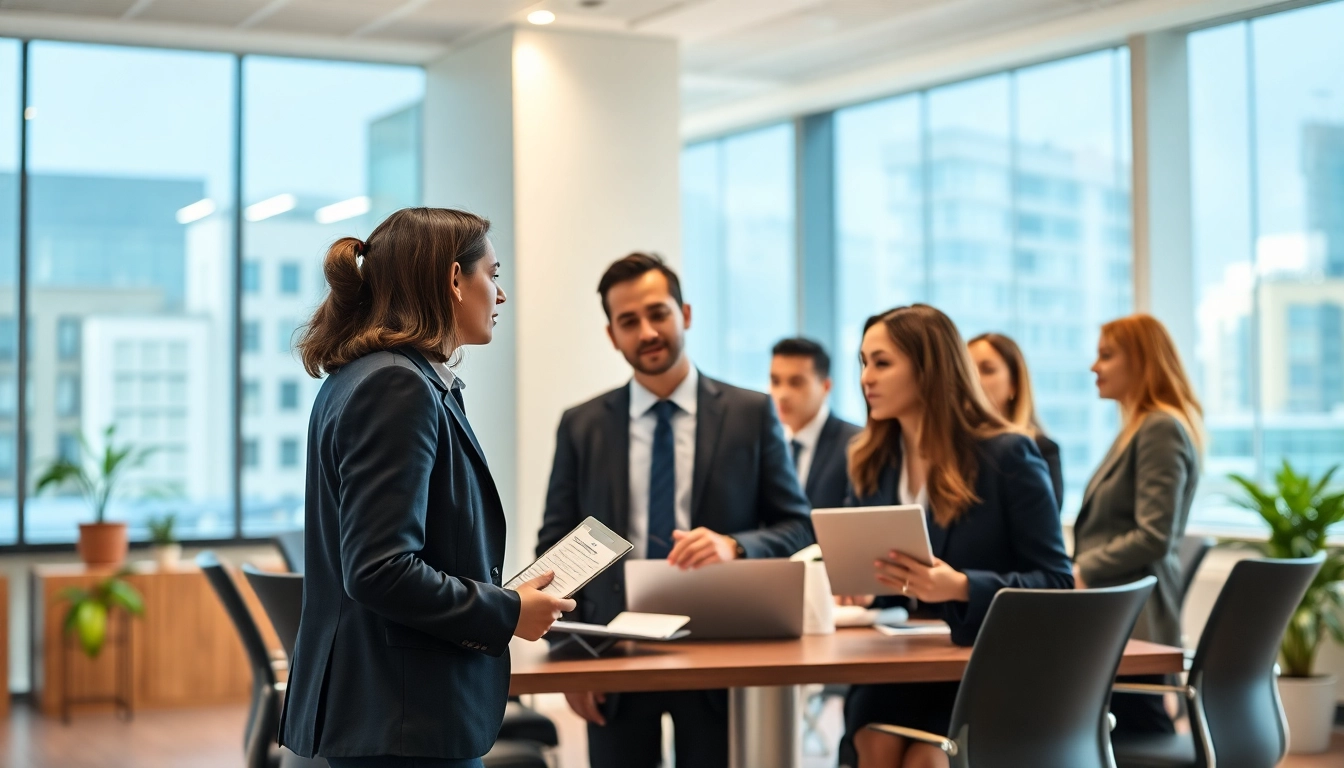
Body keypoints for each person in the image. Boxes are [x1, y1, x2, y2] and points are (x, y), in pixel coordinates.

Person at [278, 209, 574, 768]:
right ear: (454, 280)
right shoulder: (396, 384)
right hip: (400, 723)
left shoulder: (367, 375)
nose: (501, 293)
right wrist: (506, 612)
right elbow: (379, 569)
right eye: (493, 272)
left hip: (386, 714)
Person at [536, 253, 814, 768]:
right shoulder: (582, 425)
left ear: (685, 314)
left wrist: (735, 545)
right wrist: (570, 659)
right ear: (611, 335)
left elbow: (798, 525)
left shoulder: (751, 414)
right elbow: (556, 549)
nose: (646, 331)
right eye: (628, 321)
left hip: (715, 650)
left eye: (657, 313)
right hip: (612, 653)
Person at [842, 305, 1072, 768]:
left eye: (882, 363)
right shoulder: (873, 462)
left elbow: (1057, 583)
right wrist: (863, 588)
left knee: (928, 760)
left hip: (992, 671)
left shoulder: (1007, 456)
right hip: (904, 666)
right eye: (863, 363)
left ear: (929, 370)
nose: (867, 377)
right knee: (875, 743)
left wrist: (963, 586)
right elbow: (887, 581)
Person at [1074, 313, 1203, 736]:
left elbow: (1154, 535)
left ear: (1143, 361)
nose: (1095, 367)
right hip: (1122, 606)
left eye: (1107, 356)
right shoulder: (1137, 428)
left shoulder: (1159, 427)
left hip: (1135, 611)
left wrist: (1083, 569)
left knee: (1138, 731)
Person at [967, 332, 1064, 511]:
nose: (974, 380)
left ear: (1014, 383)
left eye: (987, 370)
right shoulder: (950, 447)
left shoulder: (1040, 448)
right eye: (967, 370)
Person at [769, 337, 863, 509]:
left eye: (795, 383)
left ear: (826, 387)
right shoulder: (769, 442)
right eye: (775, 382)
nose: (782, 394)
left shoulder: (857, 443)